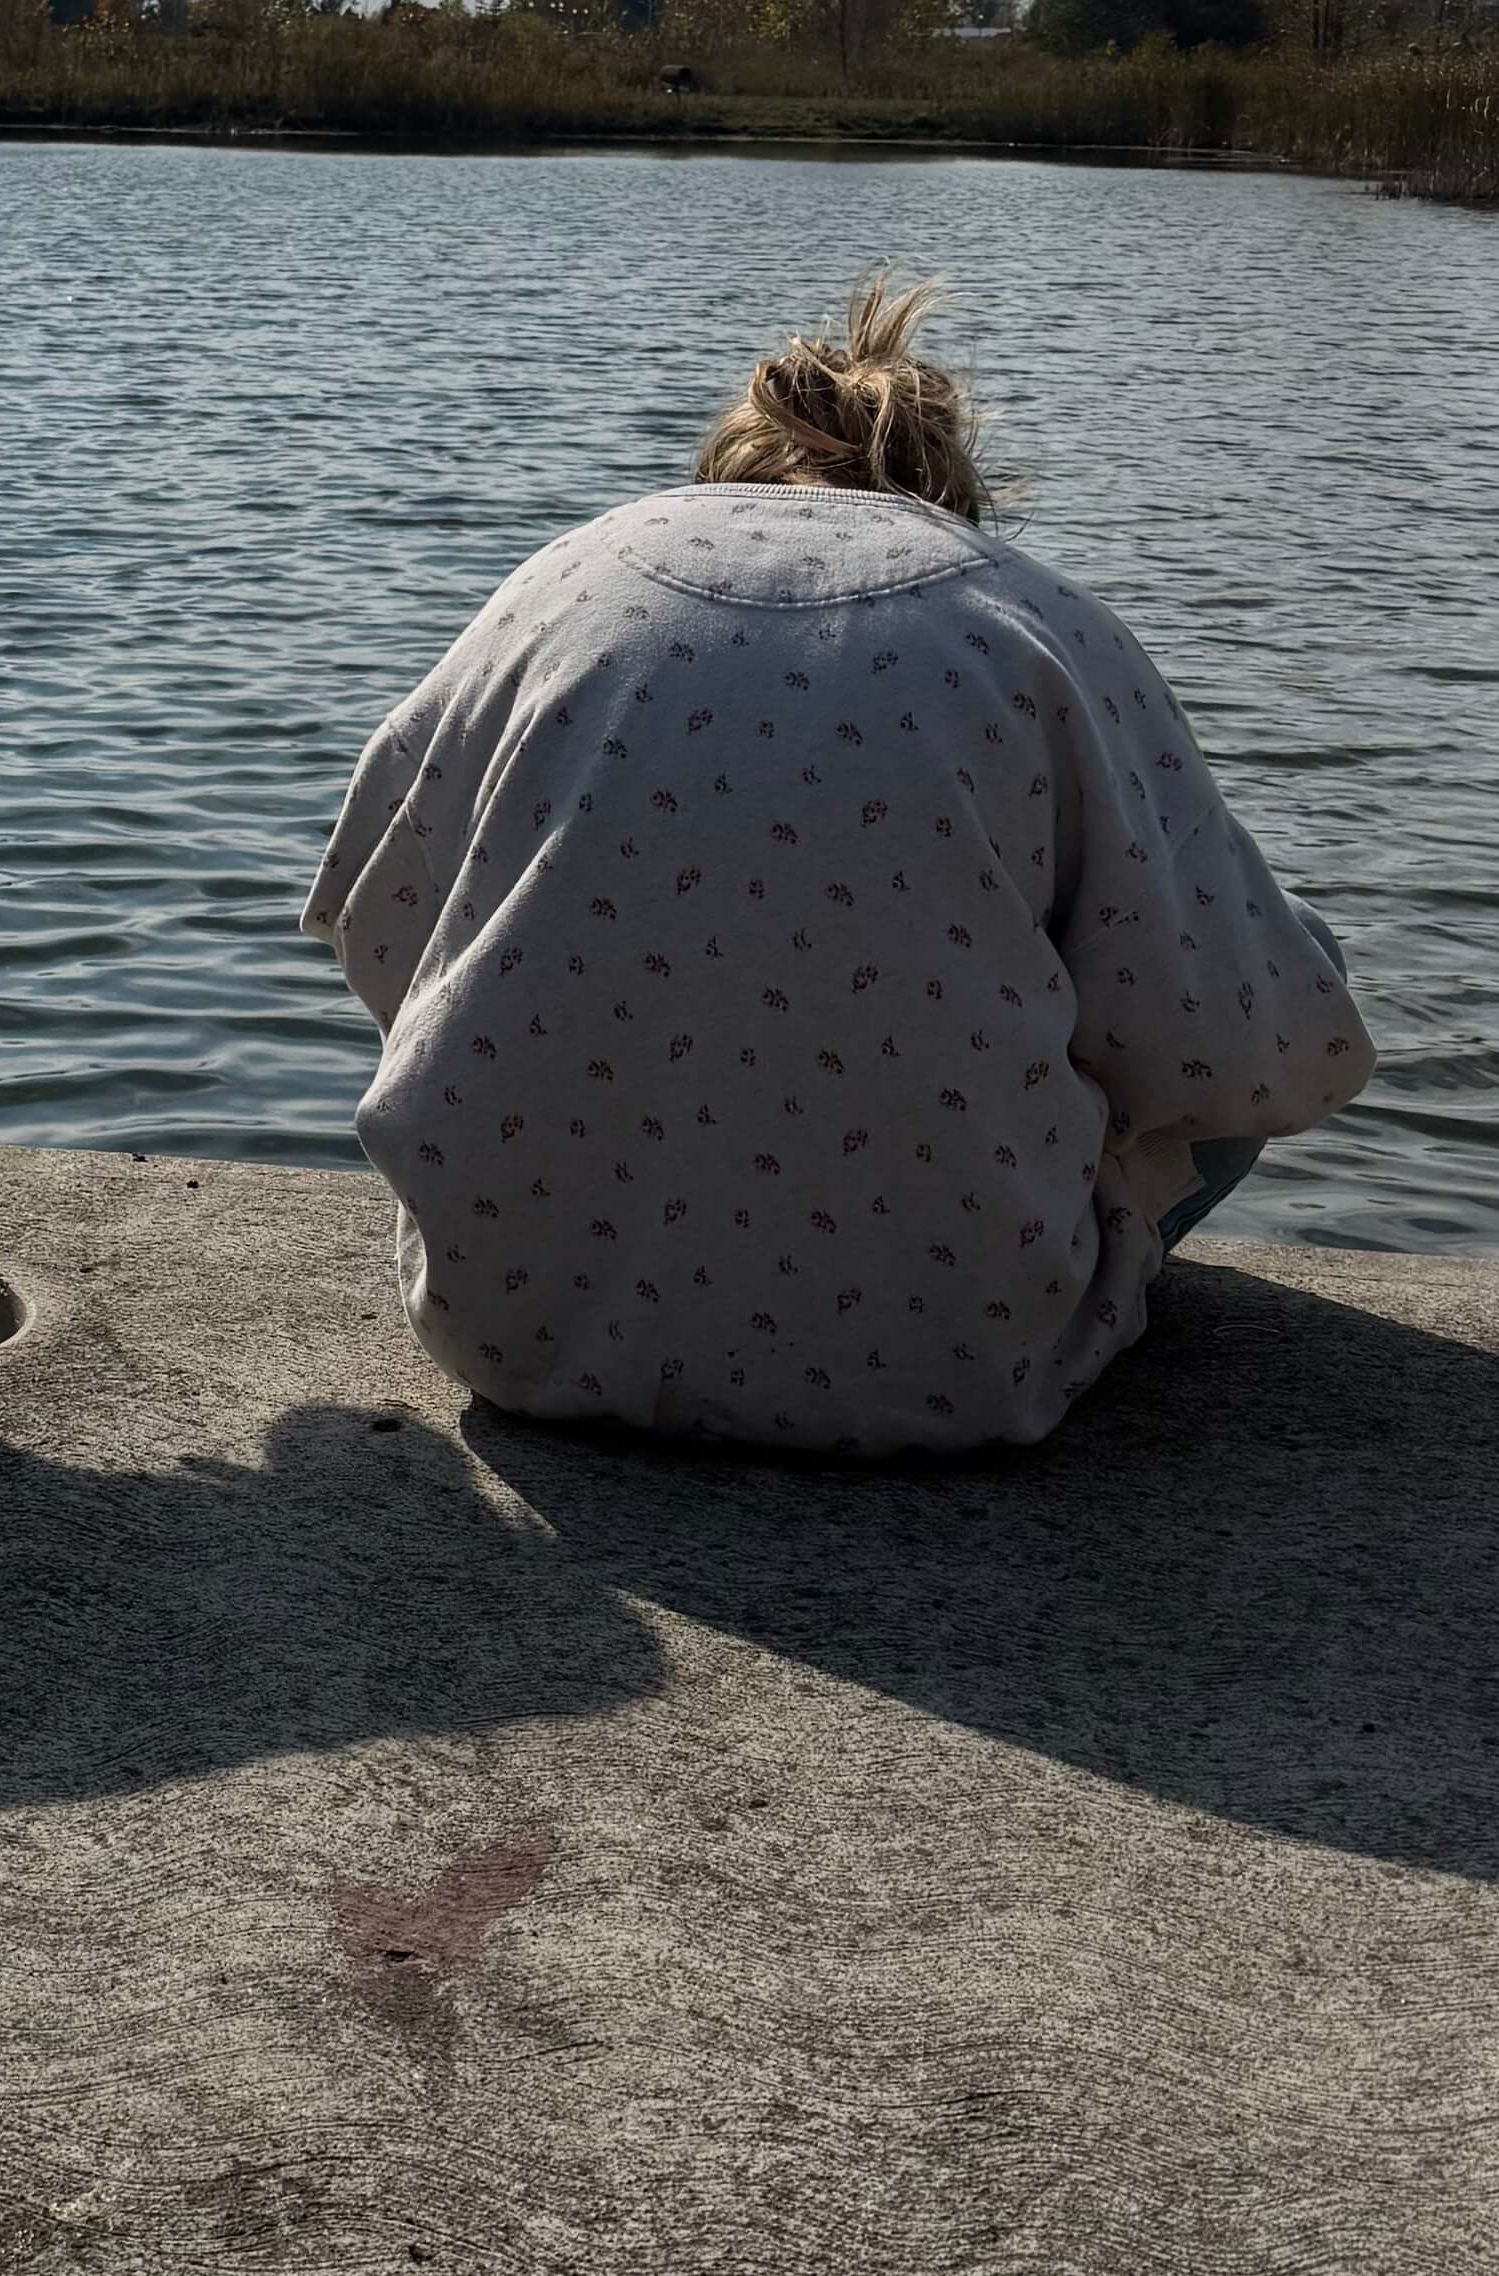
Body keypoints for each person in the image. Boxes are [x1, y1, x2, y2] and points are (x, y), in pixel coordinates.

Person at [303, 279, 1373, 1454]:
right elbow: (1257, 1043)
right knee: (1269, 966)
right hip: (957, 1365)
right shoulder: (1037, 625)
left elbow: (378, 926)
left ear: (730, 472)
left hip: (517, 1334)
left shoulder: (564, 580)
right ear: (945, 488)